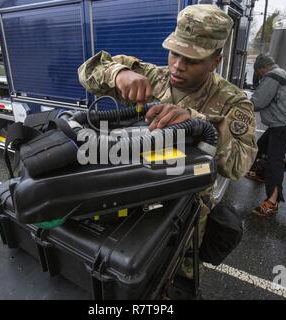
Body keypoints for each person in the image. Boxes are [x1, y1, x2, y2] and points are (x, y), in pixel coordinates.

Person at [78, 4, 257, 277]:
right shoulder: (153, 76)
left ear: (215, 61)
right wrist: (118, 73)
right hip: (134, 199)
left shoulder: (234, 102)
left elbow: (238, 165)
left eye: (192, 60)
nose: (177, 66)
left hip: (185, 216)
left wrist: (197, 121)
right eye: (174, 53)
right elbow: (89, 70)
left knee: (172, 276)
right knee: (123, 271)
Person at [246, 53, 286, 217]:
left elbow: (258, 102)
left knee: (274, 161)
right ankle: (258, 172)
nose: (259, 75)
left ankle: (272, 202)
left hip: (283, 124)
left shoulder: (272, 76)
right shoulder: (280, 72)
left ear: (263, 68)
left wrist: (239, 101)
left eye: (258, 72)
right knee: (261, 145)